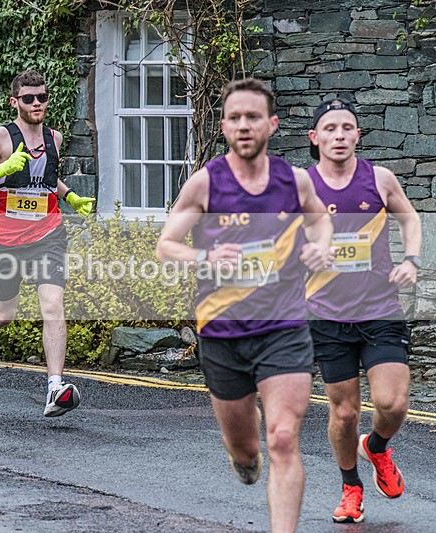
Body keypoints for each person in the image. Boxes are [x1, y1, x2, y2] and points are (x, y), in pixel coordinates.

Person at [156, 78, 334, 533]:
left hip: (284, 327)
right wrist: (206, 256)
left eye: (253, 116)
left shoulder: (293, 181)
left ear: (271, 124)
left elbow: (320, 221)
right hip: (221, 333)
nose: (244, 125)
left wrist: (321, 247)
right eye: (235, 118)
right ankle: (241, 456)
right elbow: (167, 245)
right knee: (248, 449)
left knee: (281, 437)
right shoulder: (205, 184)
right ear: (223, 126)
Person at [306, 98, 422, 523]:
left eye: (347, 127)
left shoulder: (381, 178)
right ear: (315, 138)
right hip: (326, 315)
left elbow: (410, 218)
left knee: (392, 404)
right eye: (330, 128)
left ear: (358, 135)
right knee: (345, 412)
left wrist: (410, 260)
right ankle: (351, 487)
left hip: (379, 309)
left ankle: (375, 447)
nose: (339, 135)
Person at [0, 70, 95, 417]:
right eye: (29, 98)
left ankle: (55, 387)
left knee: (53, 306)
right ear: (15, 102)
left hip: (48, 234)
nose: (37, 104)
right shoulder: (1, 137)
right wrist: (3, 168)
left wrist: (70, 196)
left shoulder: (55, 138)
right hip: (4, 239)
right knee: (5, 313)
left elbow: (47, 178)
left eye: (42, 98)